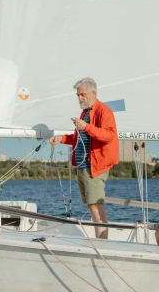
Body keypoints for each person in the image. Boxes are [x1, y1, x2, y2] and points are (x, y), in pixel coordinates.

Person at [50, 78, 119, 239]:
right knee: (91, 206)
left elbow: (109, 135)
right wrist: (61, 138)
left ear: (93, 93)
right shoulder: (86, 112)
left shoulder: (104, 111)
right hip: (83, 166)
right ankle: (100, 241)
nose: (80, 98)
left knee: (96, 206)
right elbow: (79, 138)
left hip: (95, 166)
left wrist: (86, 127)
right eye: (78, 95)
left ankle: (102, 244)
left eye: (82, 94)